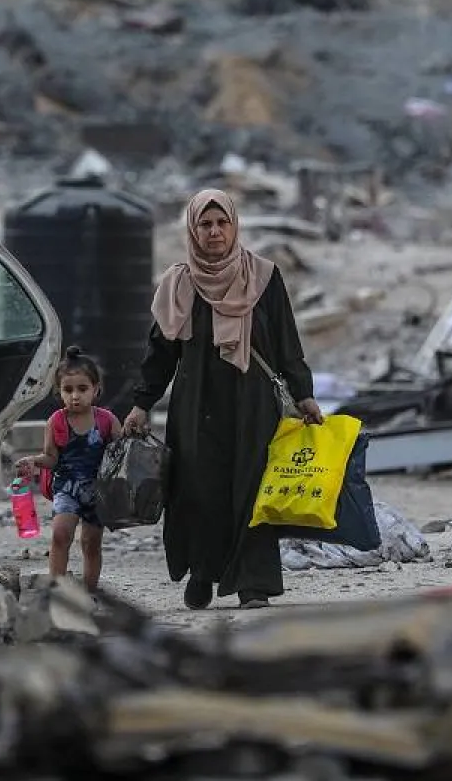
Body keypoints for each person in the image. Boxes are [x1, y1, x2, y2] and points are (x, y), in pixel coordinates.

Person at [123, 189, 321, 611]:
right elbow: (160, 353)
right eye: (205, 225)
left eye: (221, 223)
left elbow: (288, 343)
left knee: (253, 488)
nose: (214, 232)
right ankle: (202, 572)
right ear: (192, 231)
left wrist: (305, 395)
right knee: (199, 489)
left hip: (253, 403)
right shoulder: (179, 283)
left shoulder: (264, 277)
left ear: (235, 225)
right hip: (196, 404)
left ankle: (254, 584)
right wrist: (142, 402)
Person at [16, 348, 121, 592]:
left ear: (95, 389)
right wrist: (33, 462)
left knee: (91, 543)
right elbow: (51, 458)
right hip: (67, 488)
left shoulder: (106, 420)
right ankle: (58, 592)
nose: (75, 396)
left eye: (82, 389)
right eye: (68, 390)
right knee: (60, 535)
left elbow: (120, 455)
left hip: (98, 491)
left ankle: (90, 593)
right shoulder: (56, 421)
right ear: (59, 392)